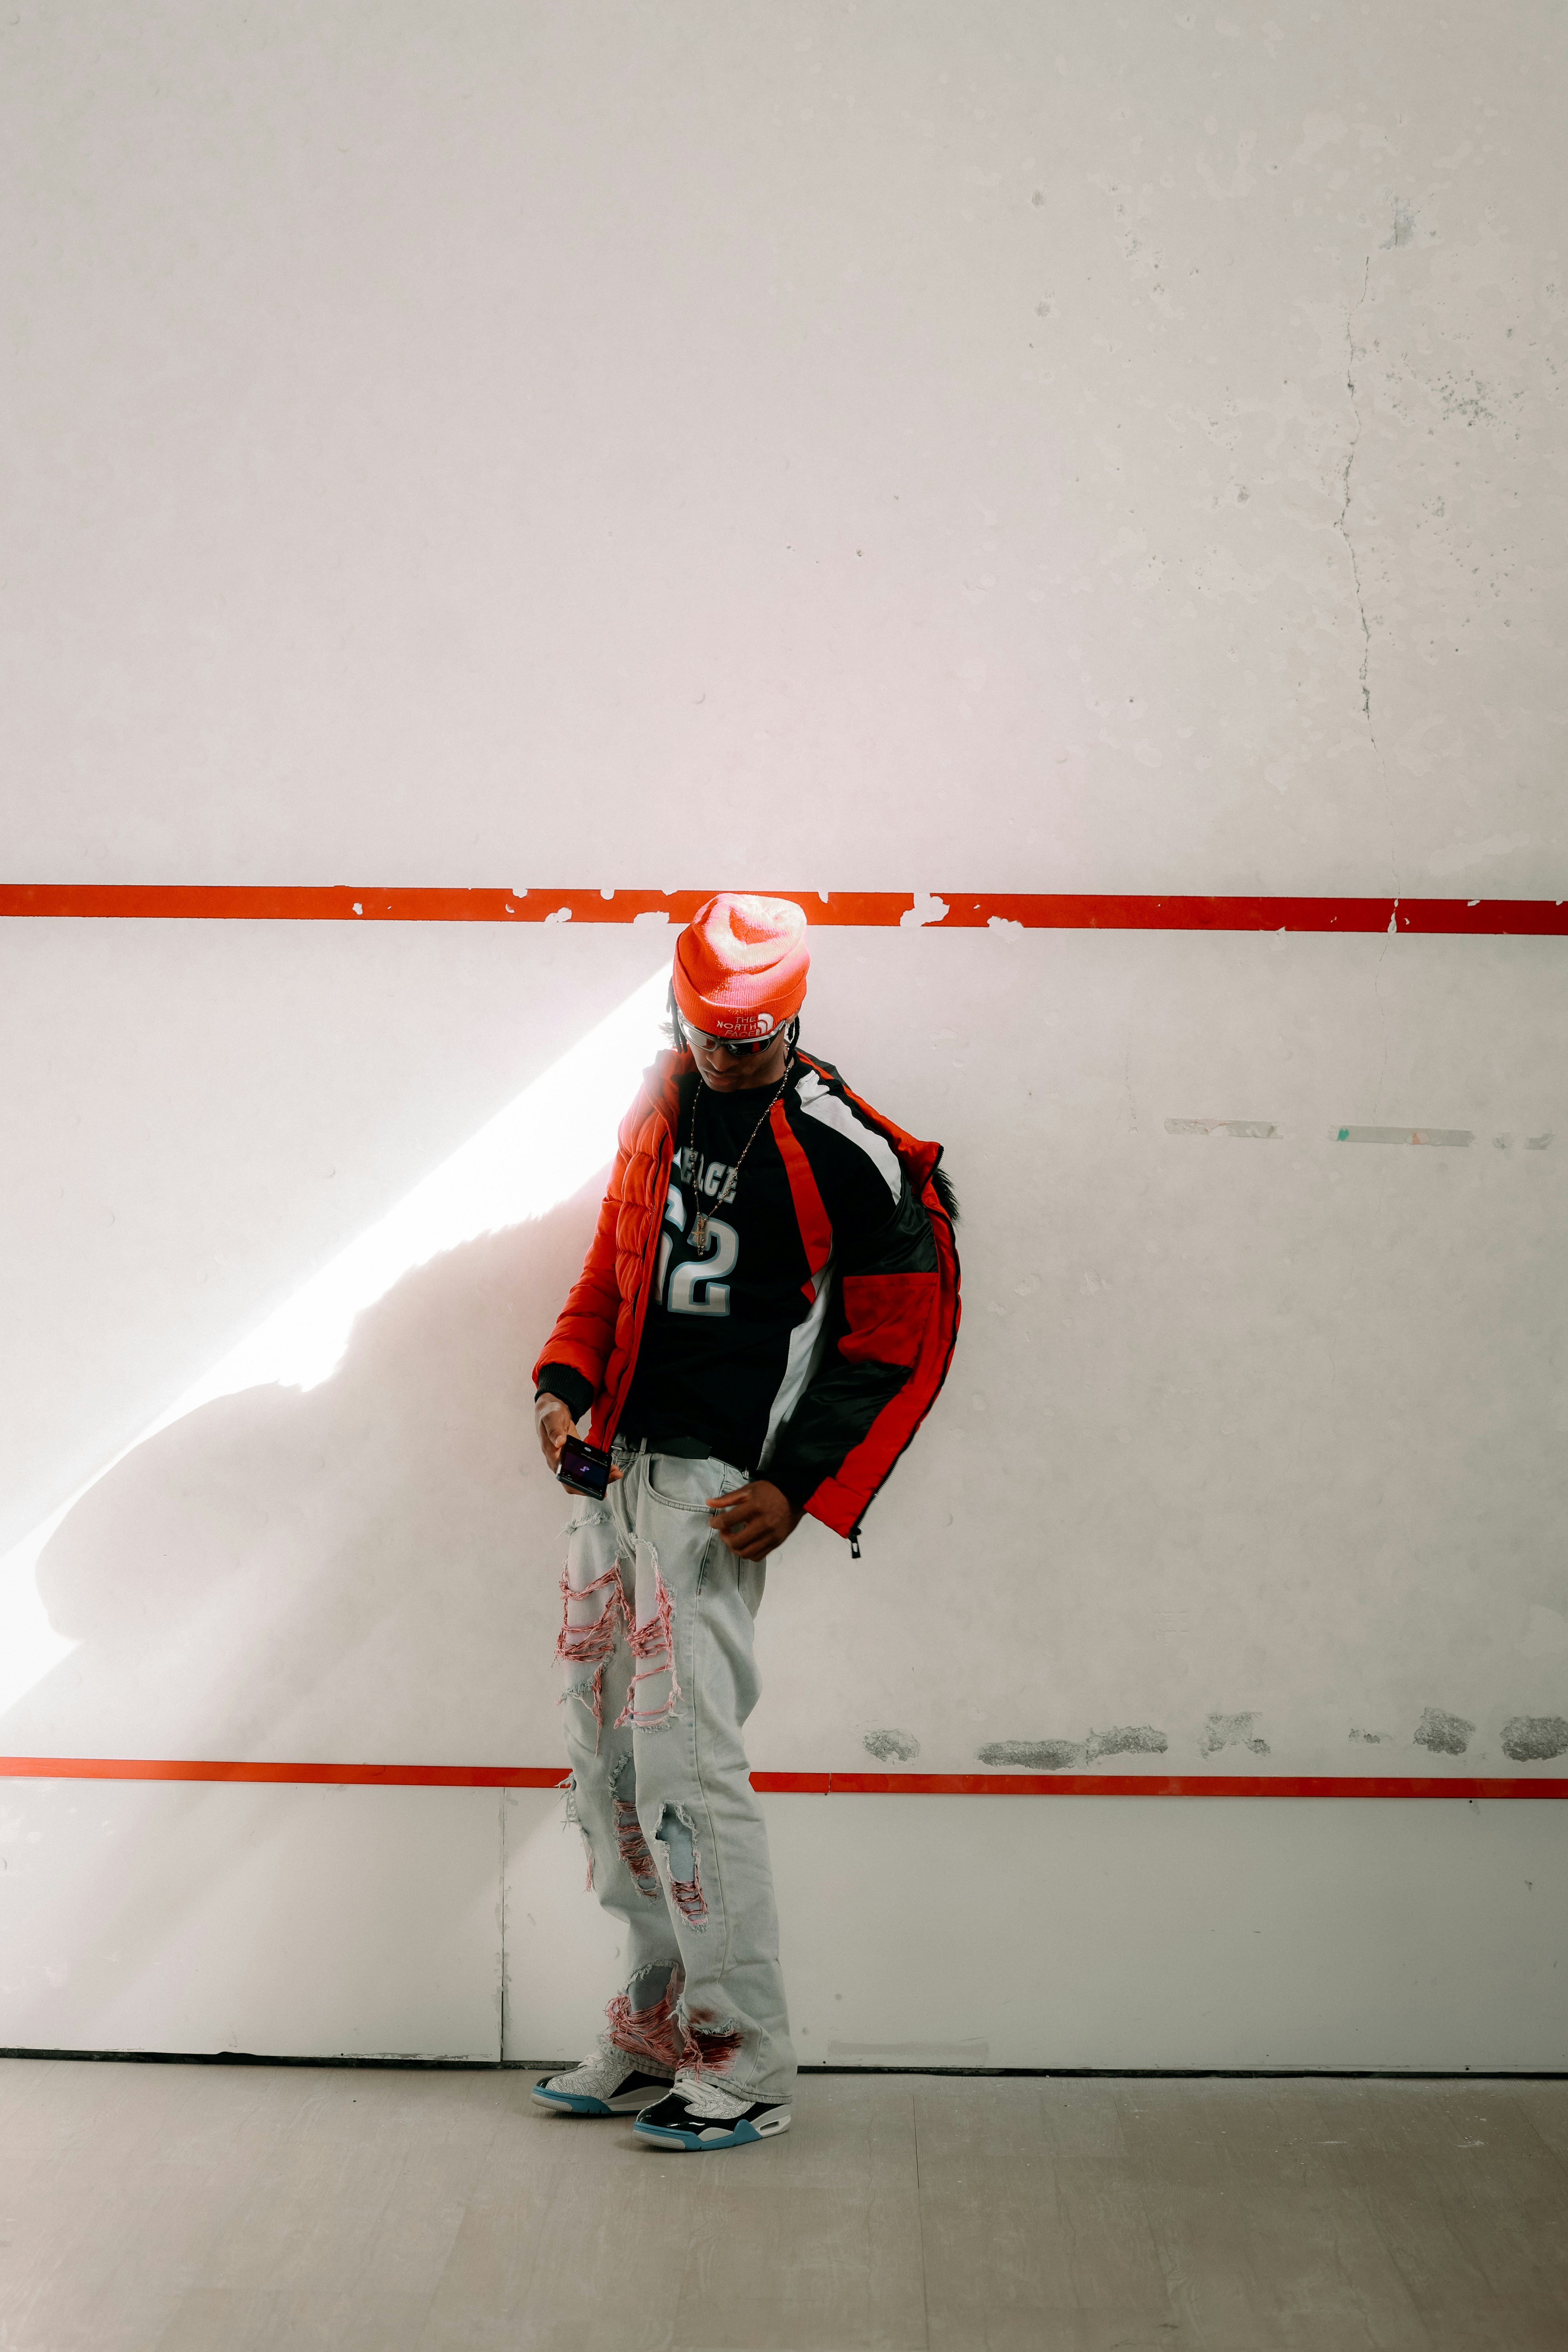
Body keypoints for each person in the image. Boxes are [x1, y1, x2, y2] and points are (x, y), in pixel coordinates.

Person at [529, 893, 960, 2151]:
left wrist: (802, 1481)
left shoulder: (852, 1147)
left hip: (709, 1497)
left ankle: (747, 2058)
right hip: (608, 1479)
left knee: (689, 1775)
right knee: (603, 1764)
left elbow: (901, 1333)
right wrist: (562, 1383)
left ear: (794, 1017)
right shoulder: (656, 1098)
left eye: (753, 1039)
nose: (728, 1057)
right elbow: (612, 1267)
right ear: (679, 1011)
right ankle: (659, 2019)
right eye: (711, 1034)